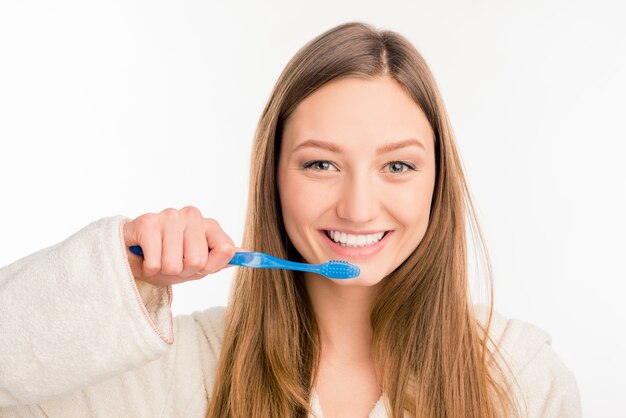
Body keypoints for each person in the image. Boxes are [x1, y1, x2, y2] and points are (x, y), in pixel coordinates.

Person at [0, 22, 581, 418]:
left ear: (439, 183)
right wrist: (115, 280)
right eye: (321, 163)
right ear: (273, 177)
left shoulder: (522, 379)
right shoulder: (170, 371)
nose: (357, 207)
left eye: (398, 165)